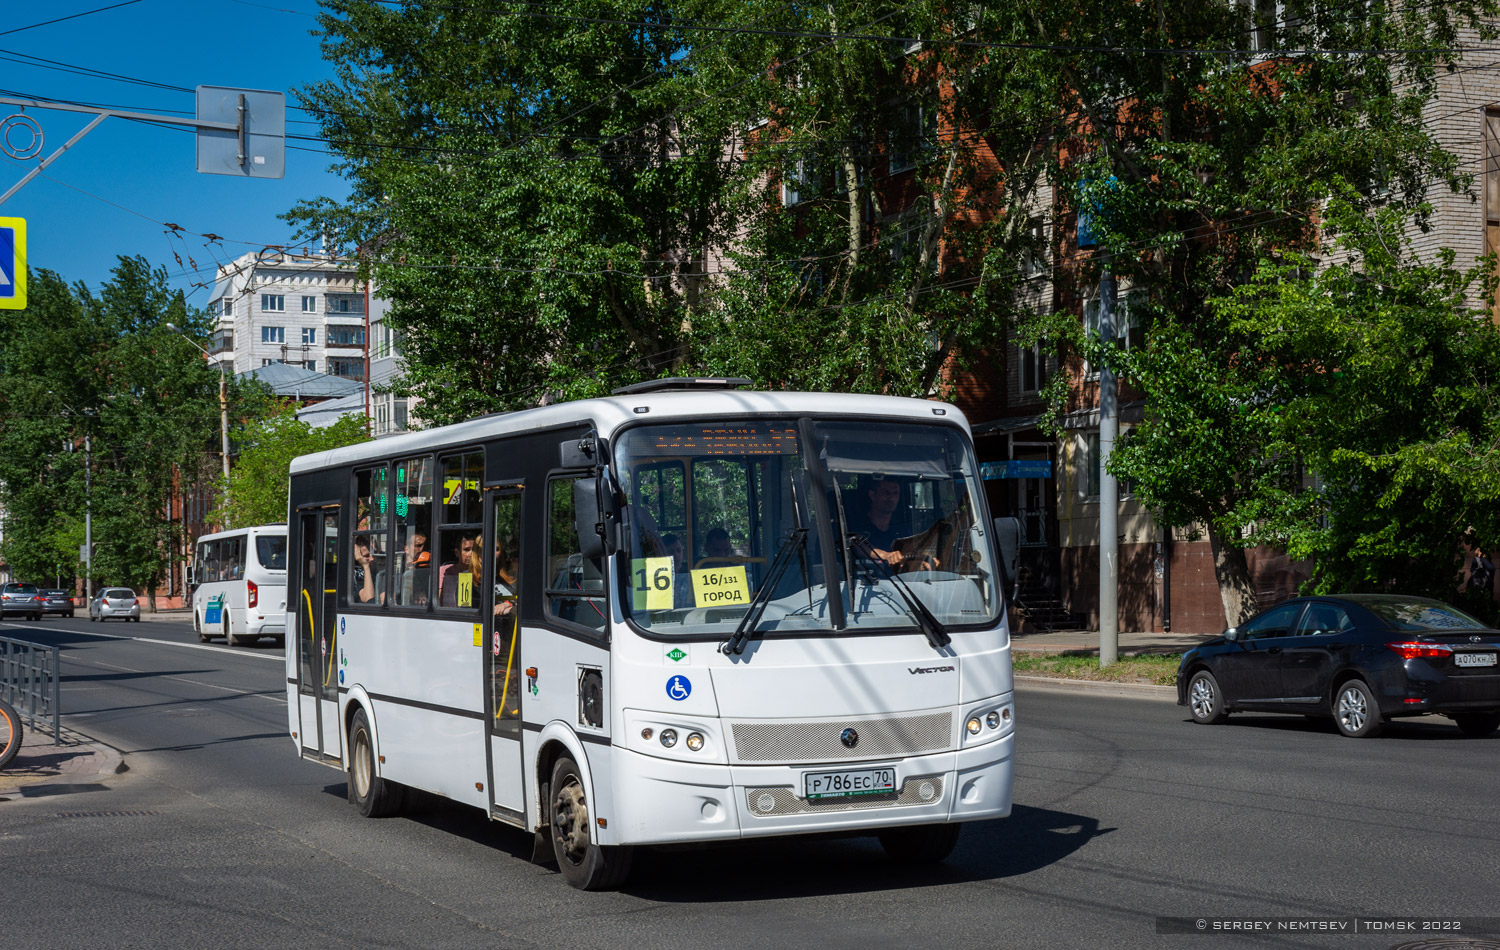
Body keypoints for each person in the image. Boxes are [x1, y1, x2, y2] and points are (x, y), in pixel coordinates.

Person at [438, 532, 478, 607]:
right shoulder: (444, 571)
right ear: (457, 552)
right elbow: (437, 601)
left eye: (474, 550)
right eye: (466, 550)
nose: (471, 554)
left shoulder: (481, 572)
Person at [351, 533, 377, 604]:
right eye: (367, 556)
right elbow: (368, 599)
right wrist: (365, 566)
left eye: (374, 554)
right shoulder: (356, 574)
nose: (372, 558)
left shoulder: (375, 571)